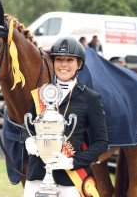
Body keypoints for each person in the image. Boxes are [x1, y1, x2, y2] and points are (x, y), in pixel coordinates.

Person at [22, 37, 109, 197]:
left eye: (70, 60)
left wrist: (72, 162)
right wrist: (29, 140)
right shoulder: (40, 94)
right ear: (53, 62)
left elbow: (101, 142)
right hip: (37, 177)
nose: (63, 64)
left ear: (79, 64)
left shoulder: (90, 98)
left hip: (70, 181)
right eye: (59, 59)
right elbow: (27, 126)